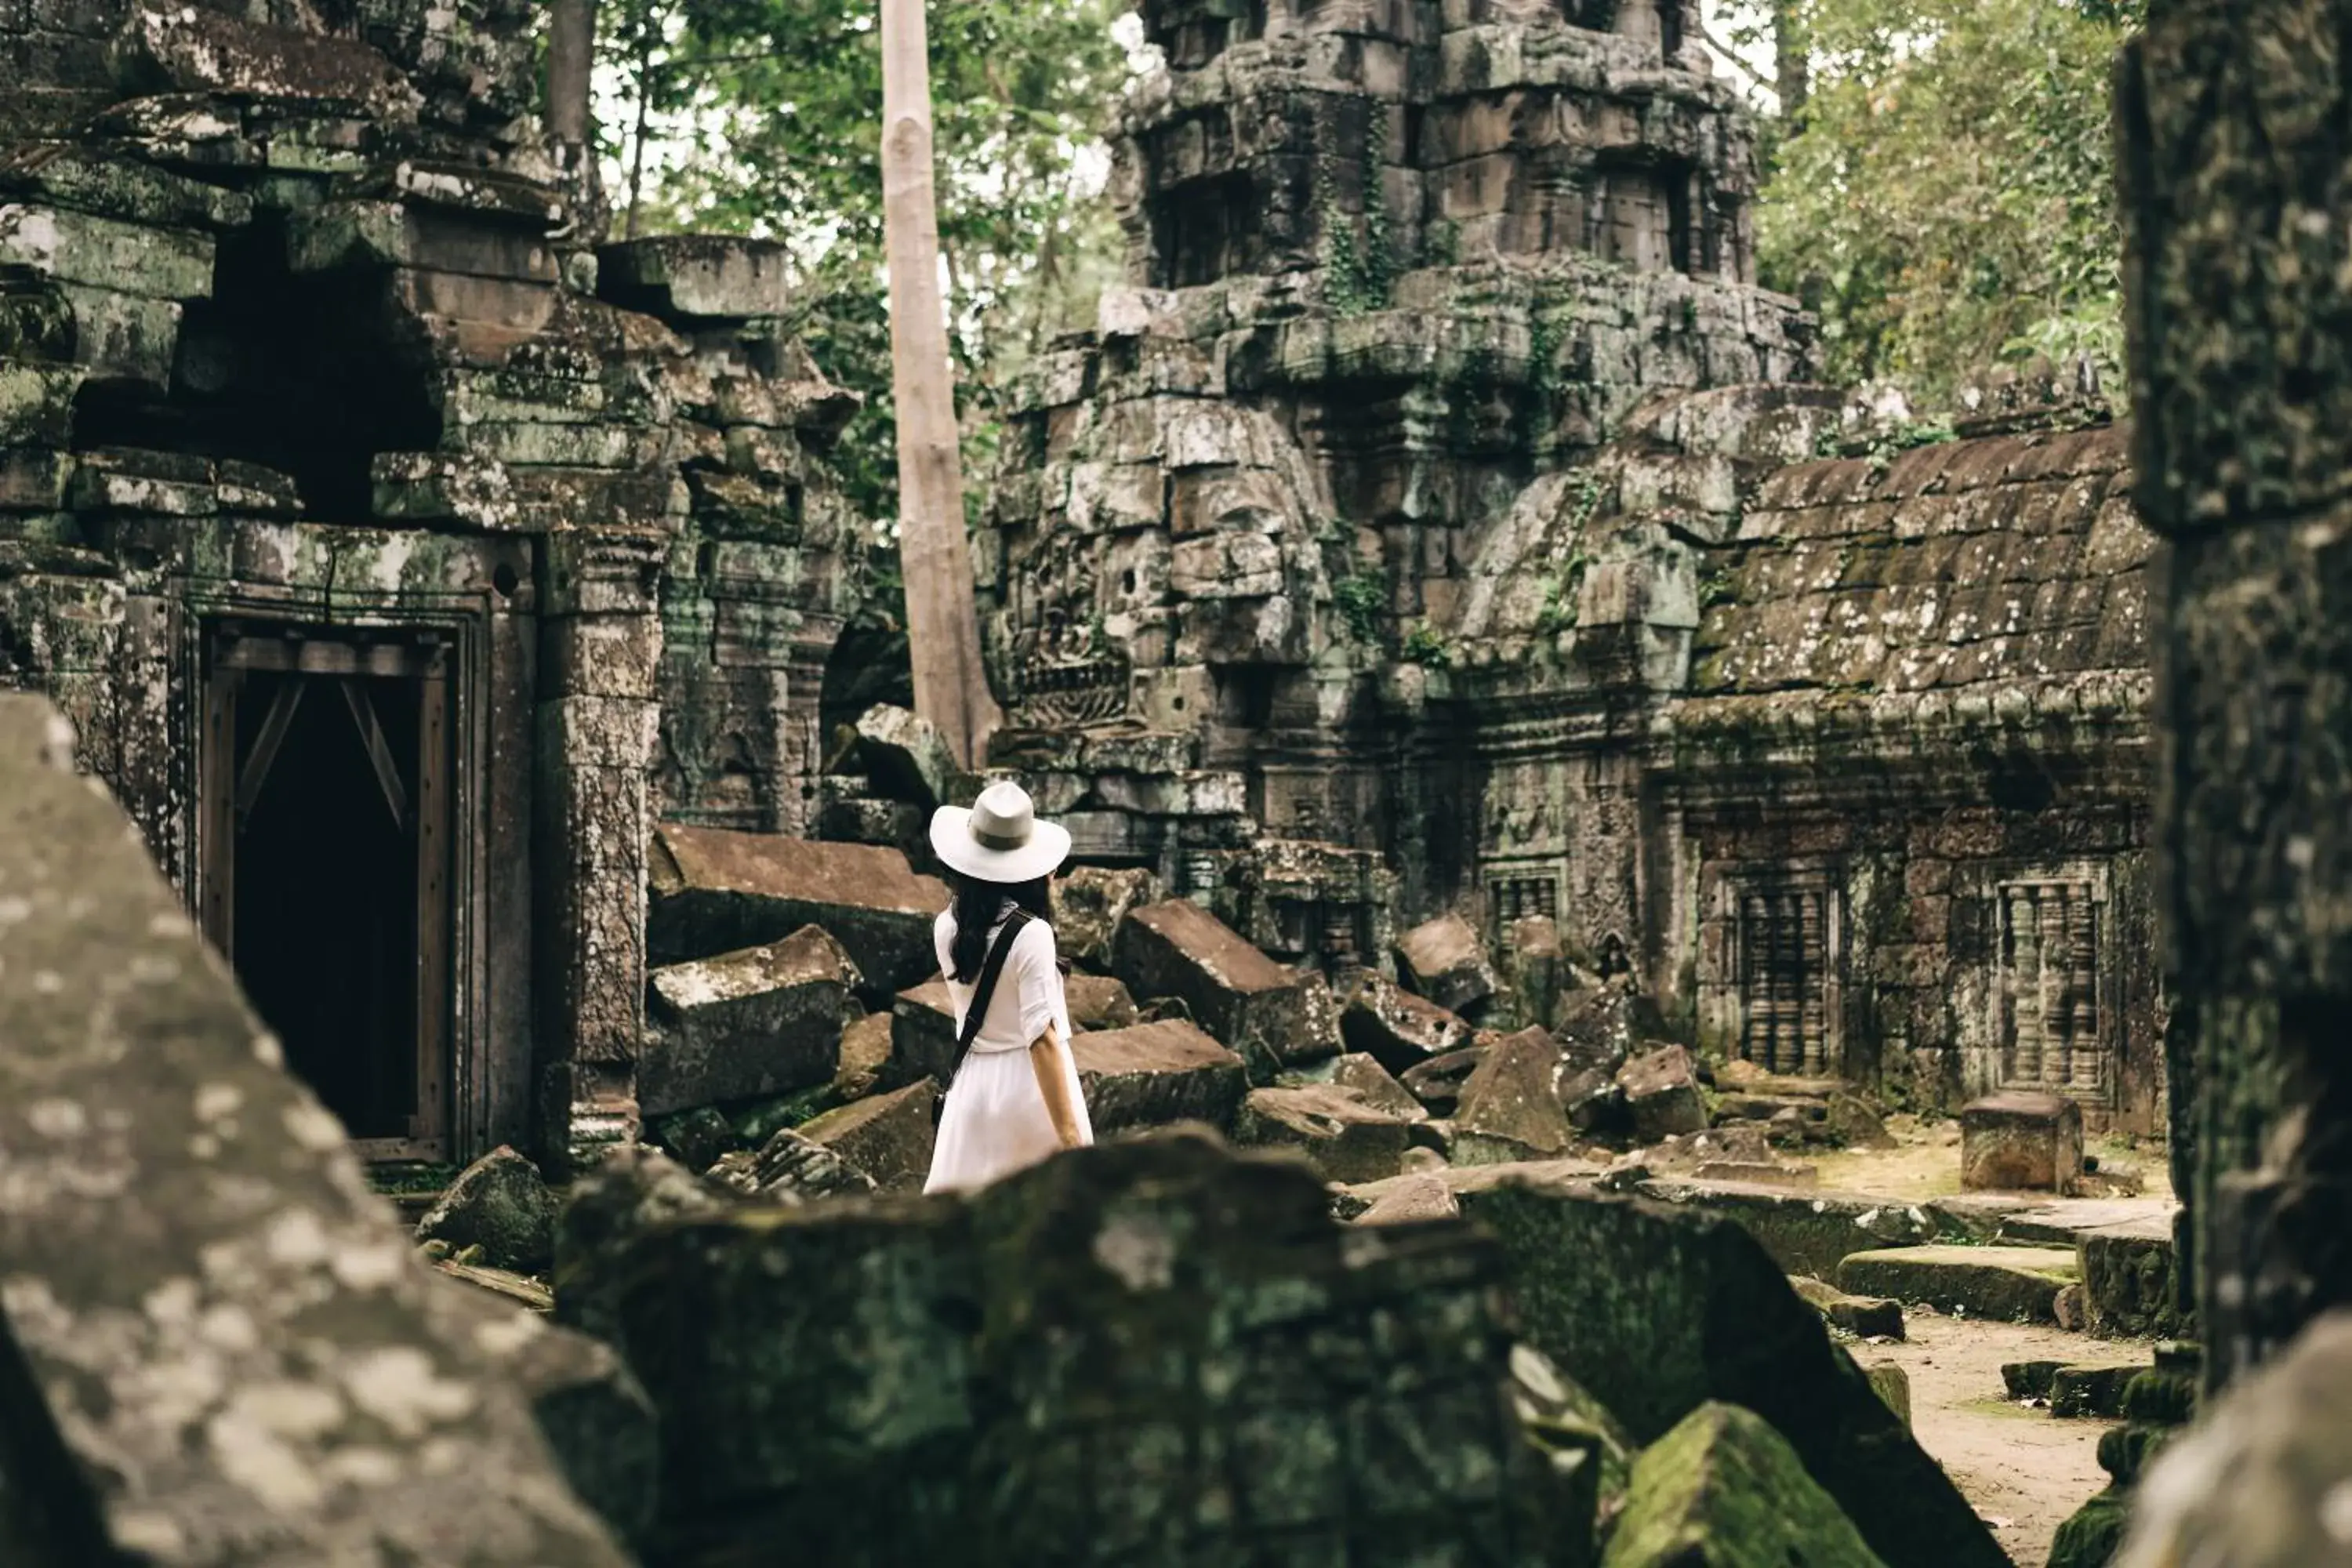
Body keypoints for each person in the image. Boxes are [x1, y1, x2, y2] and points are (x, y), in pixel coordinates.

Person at [922, 779, 1094, 1194]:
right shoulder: (1031, 933)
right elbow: (1042, 1040)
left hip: (973, 1088)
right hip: (1027, 1092)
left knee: (965, 1223)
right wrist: (1072, 1140)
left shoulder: (947, 926)